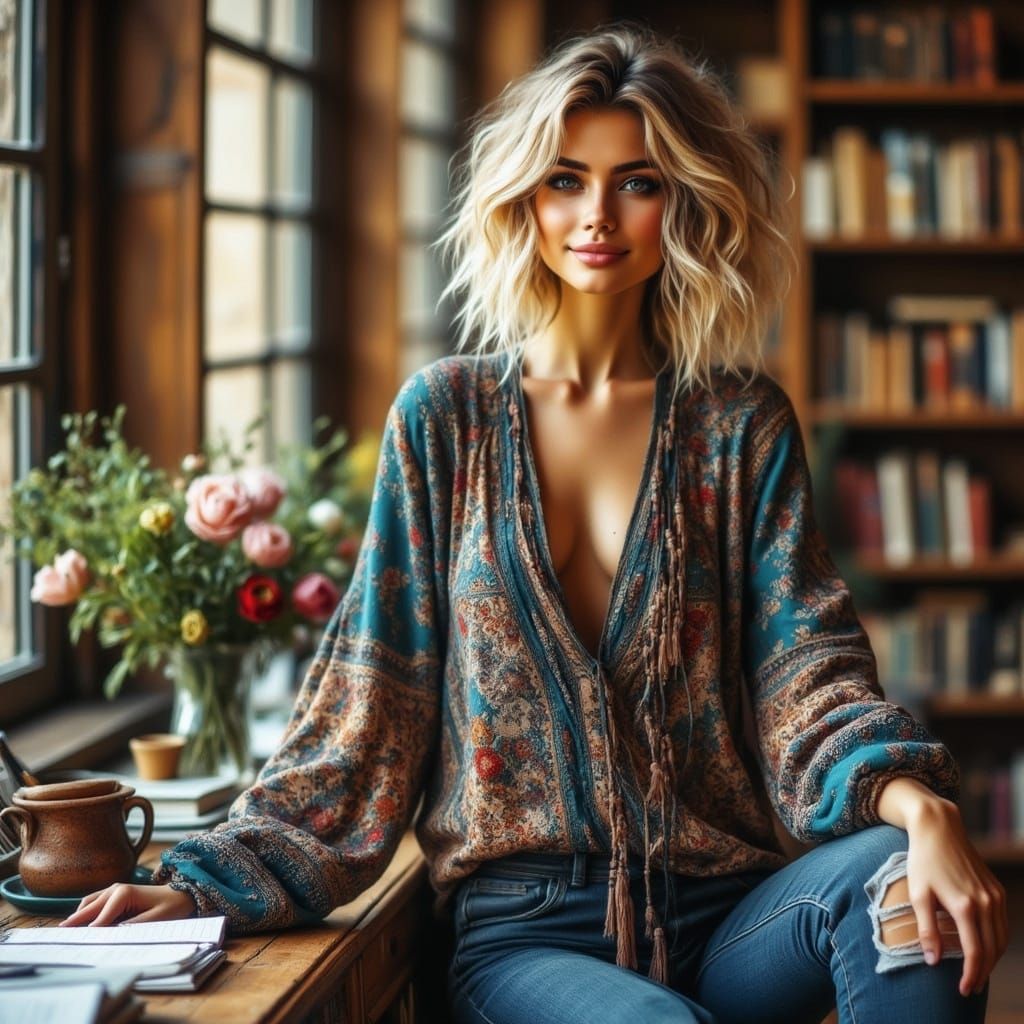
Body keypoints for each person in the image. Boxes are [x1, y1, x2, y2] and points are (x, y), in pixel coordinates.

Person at [64, 25, 1007, 1024]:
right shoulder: (445, 419)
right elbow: (367, 702)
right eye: (565, 179)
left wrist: (920, 813)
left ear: (682, 203)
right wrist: (203, 887)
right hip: (525, 934)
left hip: (731, 913)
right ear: (523, 197)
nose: (596, 213)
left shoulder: (740, 425)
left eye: (636, 182)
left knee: (912, 901)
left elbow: (806, 672)